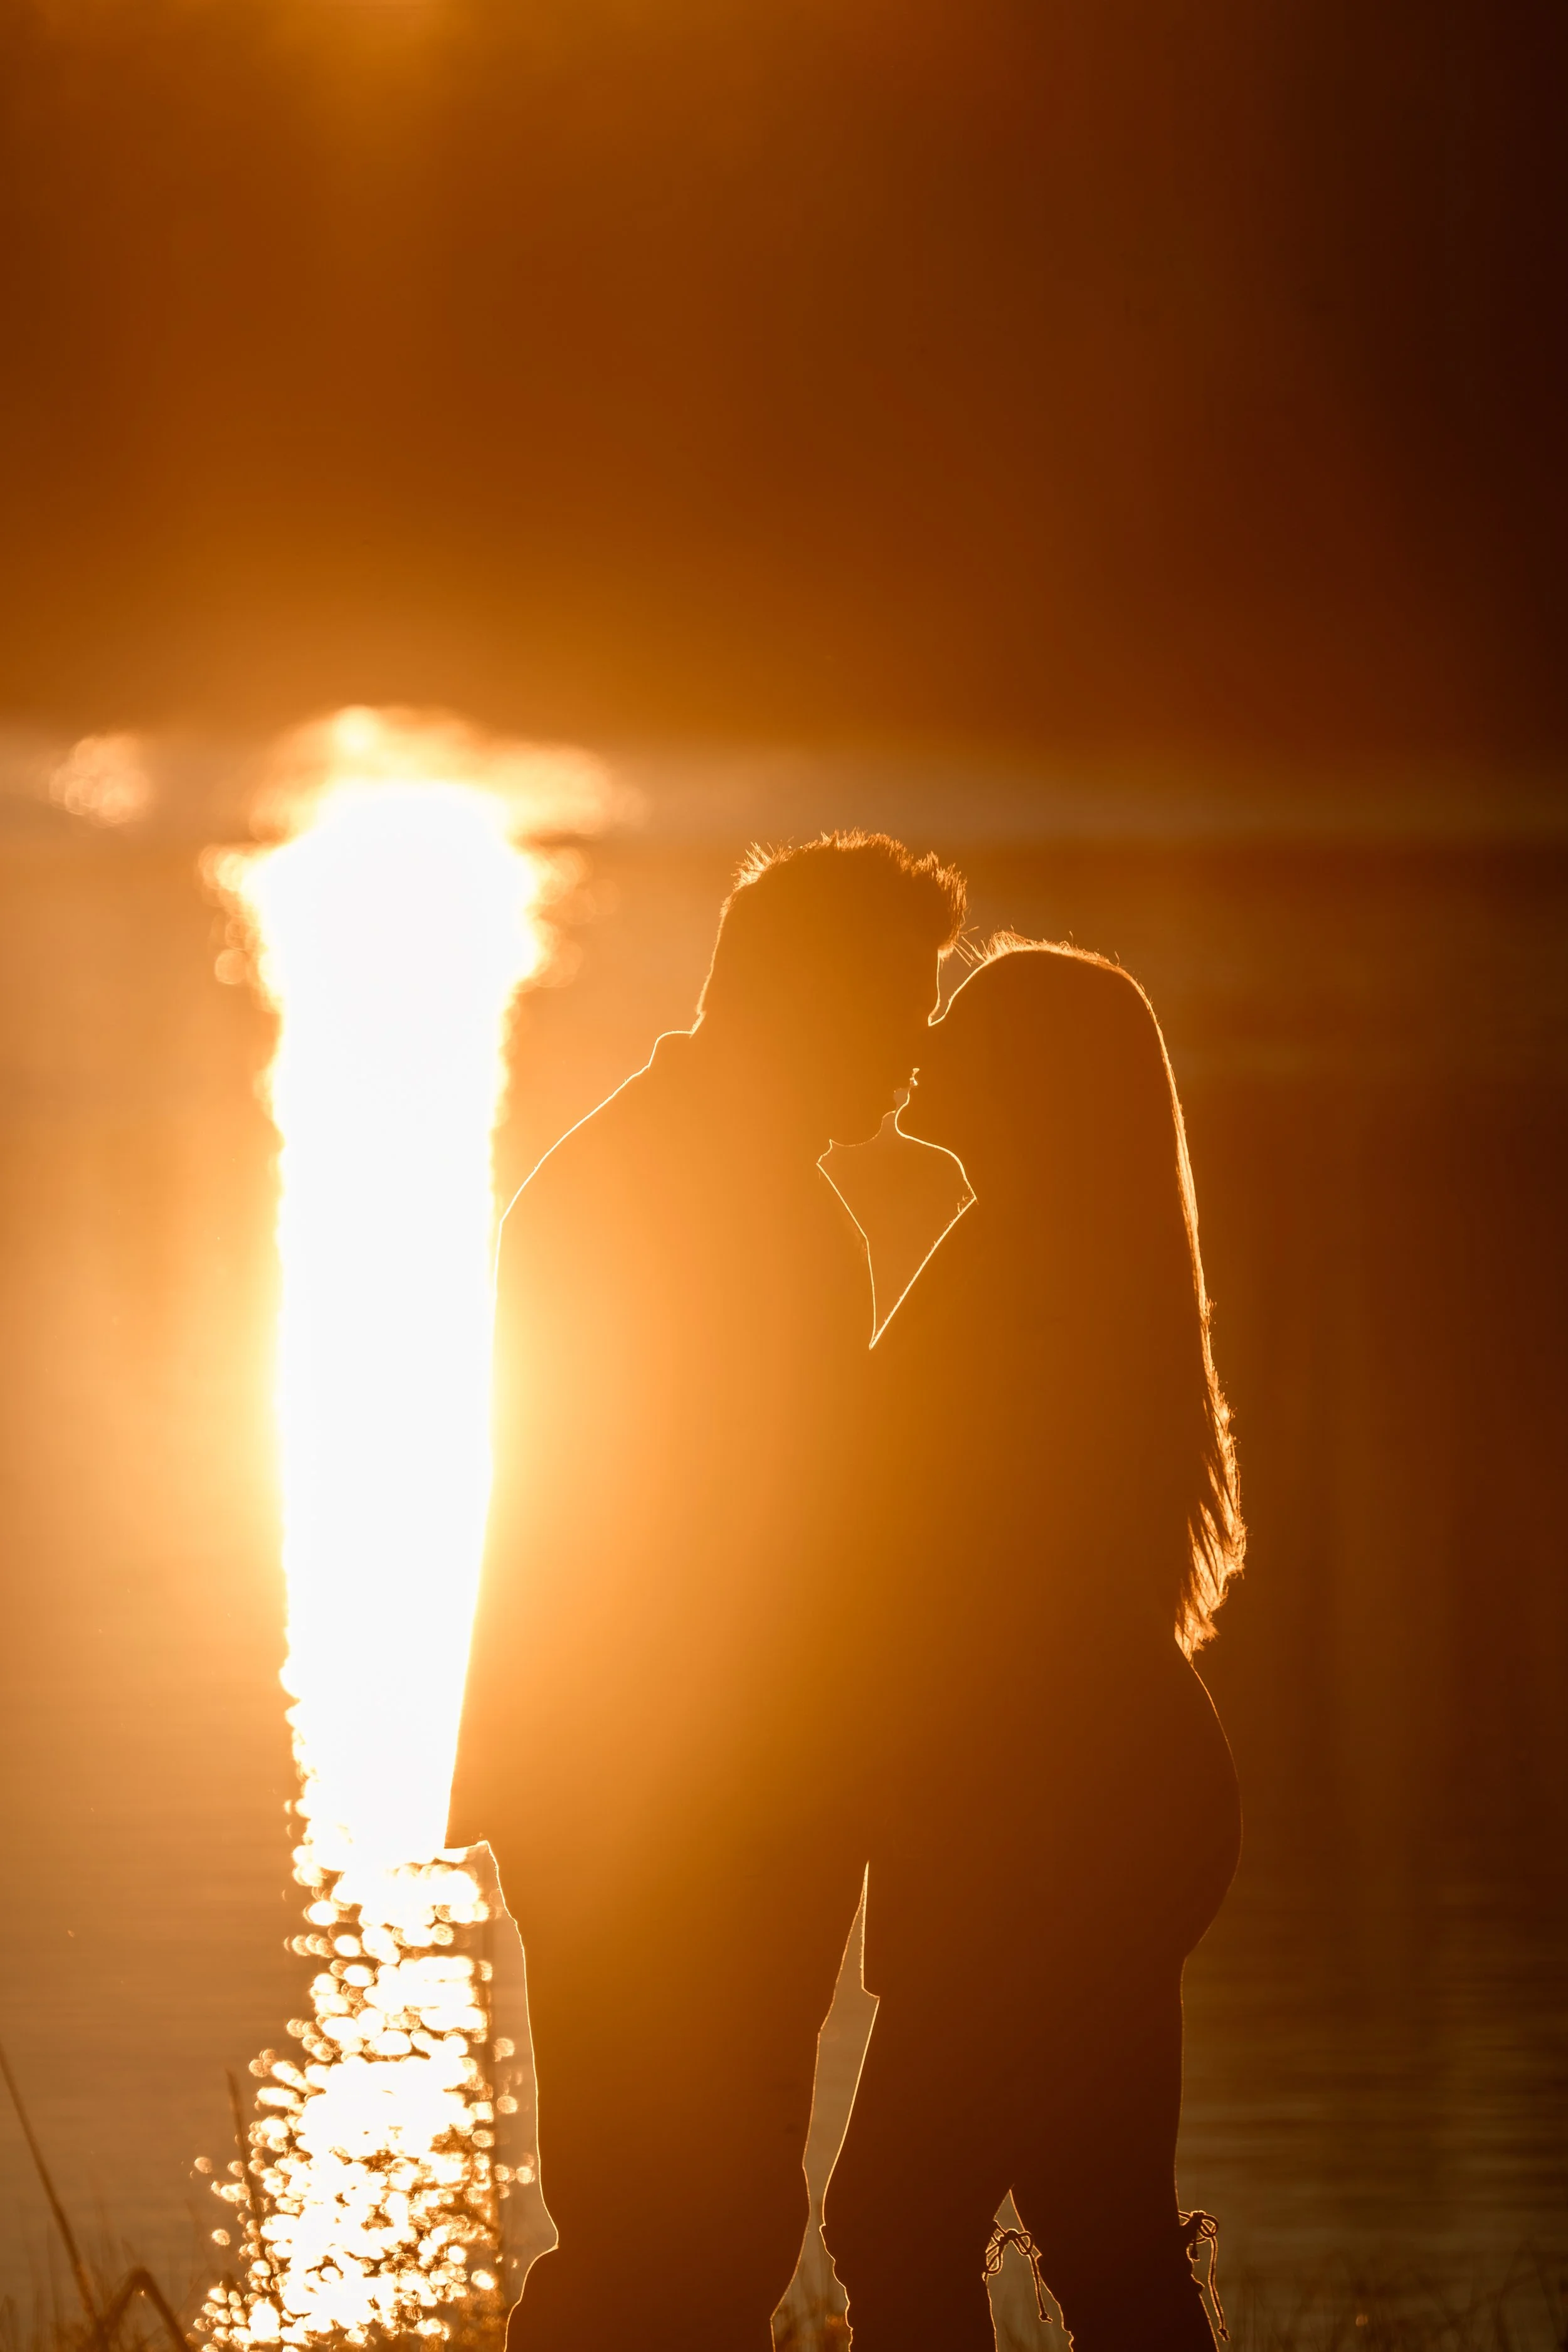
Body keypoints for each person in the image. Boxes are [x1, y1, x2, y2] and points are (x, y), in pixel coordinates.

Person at [448, 832, 967, 2352]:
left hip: (664, 1800)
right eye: (897, 1008)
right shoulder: (702, 1189)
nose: (916, 1054)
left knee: (690, 2223)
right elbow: (758, 1533)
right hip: (670, 1810)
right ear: (805, 997)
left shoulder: (691, 1163)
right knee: (677, 2229)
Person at [824, 940, 1245, 2351]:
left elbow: (946, 1555)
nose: (929, 1036)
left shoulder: (1034, 1275)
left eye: (970, 1026)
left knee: (892, 2218)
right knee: (1101, 2221)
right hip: (1089, 1792)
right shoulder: (1052, 1249)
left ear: (1036, 1084)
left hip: (1047, 1808)